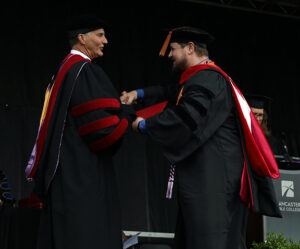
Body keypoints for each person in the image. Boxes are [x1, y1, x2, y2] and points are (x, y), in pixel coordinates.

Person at [121, 26, 281, 249]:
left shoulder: (208, 80)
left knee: (211, 241)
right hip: (209, 178)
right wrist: (138, 94)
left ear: (190, 48)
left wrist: (145, 125)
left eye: (173, 49)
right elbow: (170, 92)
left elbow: (186, 118)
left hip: (215, 181)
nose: (169, 55)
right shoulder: (201, 79)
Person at [25, 15, 136, 249]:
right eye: (100, 35)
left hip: (64, 171)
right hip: (82, 173)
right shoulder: (85, 71)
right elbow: (101, 129)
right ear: (82, 38)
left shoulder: (64, 70)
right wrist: (125, 111)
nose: (105, 40)